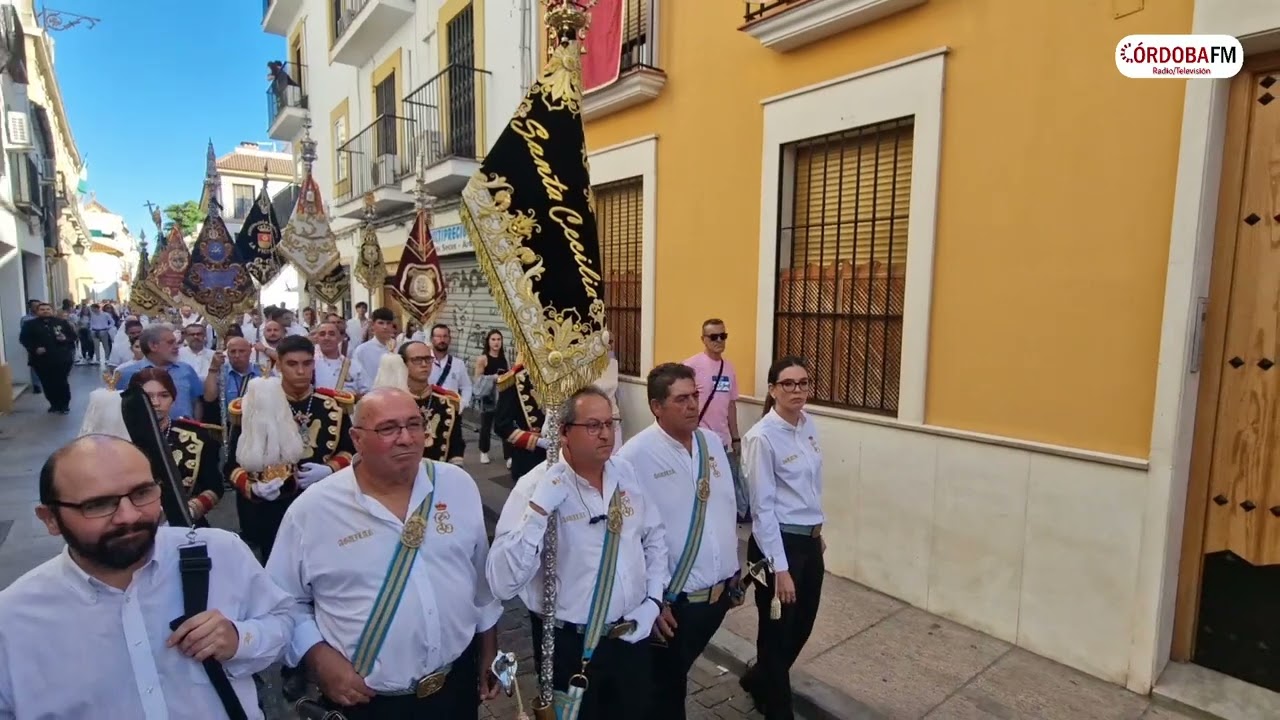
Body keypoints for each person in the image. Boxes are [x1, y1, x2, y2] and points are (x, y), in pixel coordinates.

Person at [0, 435, 294, 719]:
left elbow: (283, 622)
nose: (128, 516)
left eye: (142, 493)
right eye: (99, 504)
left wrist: (239, 639)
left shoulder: (220, 552)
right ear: (50, 518)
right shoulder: (13, 620)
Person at [268, 388, 504, 718]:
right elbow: (282, 599)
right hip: (368, 700)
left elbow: (480, 581)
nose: (406, 438)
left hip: (457, 685)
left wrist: (488, 650)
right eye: (388, 428)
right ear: (357, 438)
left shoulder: (457, 484)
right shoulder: (313, 510)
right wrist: (317, 656)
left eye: (414, 424)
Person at [487, 387, 668, 720]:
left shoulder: (625, 473)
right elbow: (502, 582)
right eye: (593, 425)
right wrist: (538, 511)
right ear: (564, 432)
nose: (605, 434)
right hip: (570, 647)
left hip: (631, 638)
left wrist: (654, 601)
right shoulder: (534, 486)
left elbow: (654, 538)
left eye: (610, 423)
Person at [615, 363, 741, 718]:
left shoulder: (711, 443)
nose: (692, 405)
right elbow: (628, 537)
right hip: (673, 605)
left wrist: (731, 569)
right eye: (681, 398)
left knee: (673, 680)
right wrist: (649, 601)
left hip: (715, 599)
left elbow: (725, 505)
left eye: (695, 396)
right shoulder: (633, 457)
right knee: (664, 692)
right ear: (657, 406)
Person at [737, 356, 825, 720]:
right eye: (788, 383)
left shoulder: (808, 425)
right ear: (772, 390)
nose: (797, 390)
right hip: (778, 546)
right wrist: (781, 570)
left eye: (803, 382)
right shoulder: (762, 437)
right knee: (776, 632)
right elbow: (763, 508)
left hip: (808, 541)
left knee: (801, 625)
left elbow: (811, 486)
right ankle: (777, 709)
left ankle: (761, 678)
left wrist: (818, 532)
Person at [225, 335, 356, 564]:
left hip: (323, 503)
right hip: (273, 509)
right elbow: (232, 465)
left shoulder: (333, 405)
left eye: (306, 364)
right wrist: (254, 488)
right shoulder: (255, 404)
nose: (301, 371)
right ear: (279, 365)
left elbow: (351, 451)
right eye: (292, 364)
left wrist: (330, 470)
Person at [127, 368, 224, 526]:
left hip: (186, 525)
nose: (156, 403)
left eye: (164, 395)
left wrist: (189, 510)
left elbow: (214, 487)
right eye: (148, 396)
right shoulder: (120, 438)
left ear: (173, 398)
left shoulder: (198, 436)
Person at [685, 318, 748, 522]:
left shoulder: (728, 368)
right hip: (699, 440)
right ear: (703, 339)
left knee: (726, 489)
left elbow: (730, 405)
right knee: (701, 487)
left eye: (723, 336)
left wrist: (736, 438)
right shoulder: (690, 366)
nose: (719, 340)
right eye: (714, 337)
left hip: (724, 442)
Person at [373, 342, 463, 462]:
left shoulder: (448, 402)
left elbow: (456, 444)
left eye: (428, 359)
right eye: (417, 360)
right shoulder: (391, 402)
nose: (424, 364)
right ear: (403, 364)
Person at [115, 324, 205, 421]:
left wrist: (196, 426)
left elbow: (197, 401)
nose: (176, 347)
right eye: (170, 343)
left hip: (184, 433)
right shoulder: (126, 374)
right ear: (153, 346)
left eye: (176, 342)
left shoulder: (186, 370)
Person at [493, 355, 547, 483]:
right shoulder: (515, 380)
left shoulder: (568, 377)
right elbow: (501, 425)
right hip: (529, 460)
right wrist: (538, 441)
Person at [423, 324, 471, 463]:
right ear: (432, 339)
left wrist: (461, 405)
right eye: (438, 336)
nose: (442, 339)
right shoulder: (424, 362)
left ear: (449, 339)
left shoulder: (458, 364)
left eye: (445, 336)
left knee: (453, 447)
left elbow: (467, 387)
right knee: (430, 449)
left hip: (452, 414)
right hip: (428, 413)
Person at [18, 302, 77, 414]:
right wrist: (35, 348)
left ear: (52, 310)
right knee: (47, 383)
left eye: (47, 309)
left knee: (61, 381)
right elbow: (23, 339)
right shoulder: (30, 325)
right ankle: (54, 404)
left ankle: (64, 405)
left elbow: (73, 337)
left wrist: (64, 338)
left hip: (61, 358)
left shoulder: (61, 323)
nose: (45, 311)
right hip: (41, 360)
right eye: (42, 309)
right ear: (37, 311)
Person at [472, 329, 511, 466]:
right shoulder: (483, 359)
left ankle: (508, 456)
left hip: (503, 397)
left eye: (498, 339)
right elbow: (477, 380)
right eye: (493, 339)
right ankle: (484, 451)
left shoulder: (504, 358)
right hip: (488, 398)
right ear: (488, 341)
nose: (496, 342)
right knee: (486, 427)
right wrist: (493, 378)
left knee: (506, 426)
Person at [351, 307, 397, 383]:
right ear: (373, 325)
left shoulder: (398, 348)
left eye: (388, 323)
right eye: (381, 323)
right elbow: (356, 376)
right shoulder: (362, 350)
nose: (385, 327)